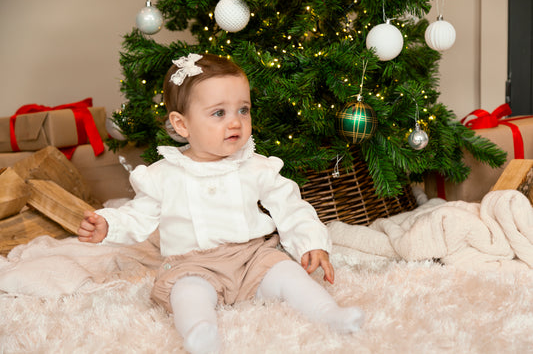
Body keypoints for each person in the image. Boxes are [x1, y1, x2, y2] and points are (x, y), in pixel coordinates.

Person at [77, 53, 364, 354]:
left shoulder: (255, 166)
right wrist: (108, 225)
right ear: (182, 124)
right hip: (194, 264)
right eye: (219, 113)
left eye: (243, 110)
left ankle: (329, 314)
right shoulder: (163, 175)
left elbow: (290, 206)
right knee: (187, 293)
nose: (235, 122)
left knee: (288, 275)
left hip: (252, 257)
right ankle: (201, 333)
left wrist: (310, 243)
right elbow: (138, 215)